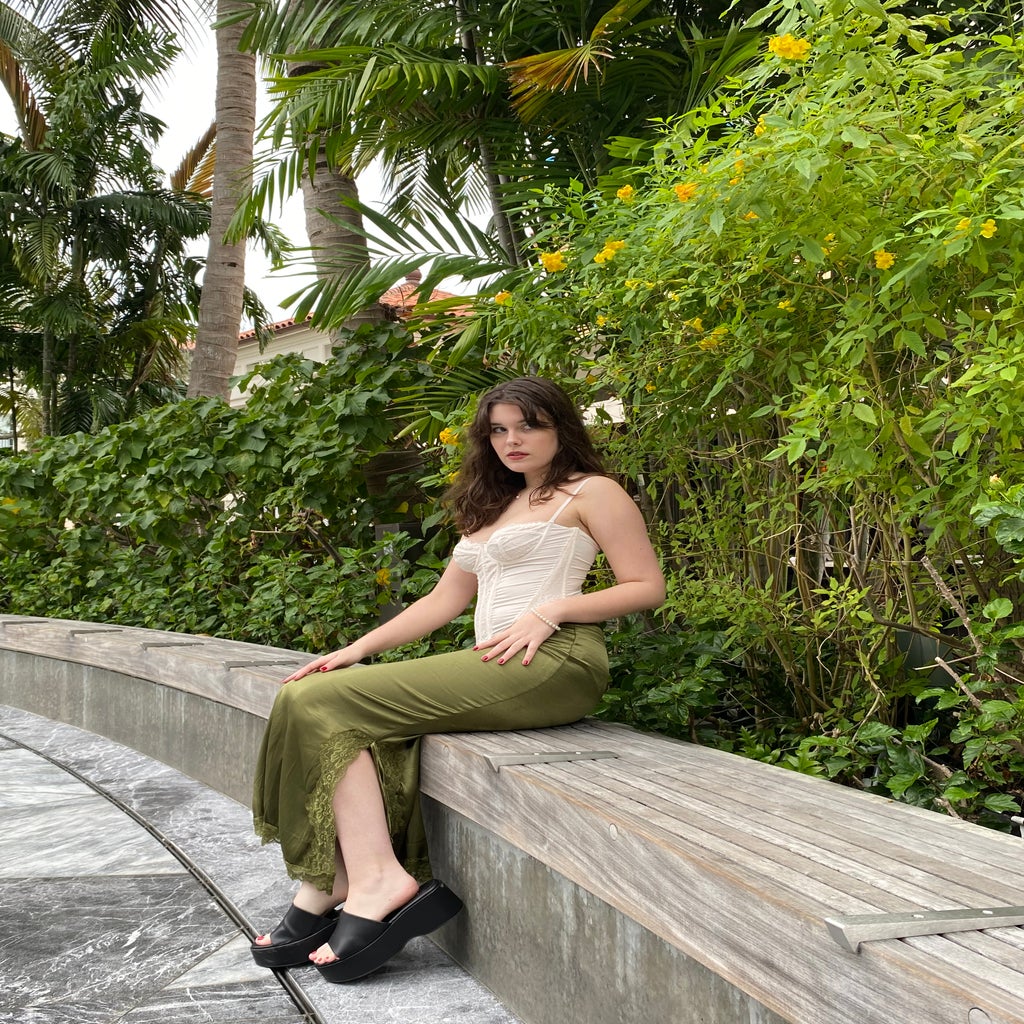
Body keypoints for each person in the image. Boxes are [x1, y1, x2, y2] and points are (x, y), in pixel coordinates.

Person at [250, 376, 666, 983]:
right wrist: (354, 650)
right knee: (308, 693)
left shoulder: (591, 492)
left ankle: (369, 880)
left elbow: (645, 586)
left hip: (556, 662)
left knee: (319, 703)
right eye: (498, 429)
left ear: (560, 428)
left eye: (528, 426)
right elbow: (443, 600)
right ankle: (337, 878)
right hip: (498, 663)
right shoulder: (496, 504)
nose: (512, 441)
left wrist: (552, 610)